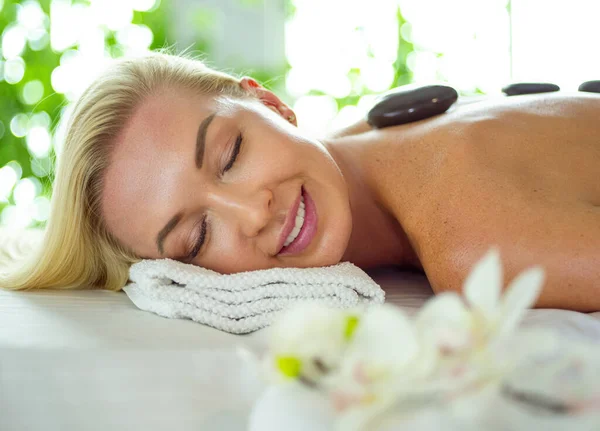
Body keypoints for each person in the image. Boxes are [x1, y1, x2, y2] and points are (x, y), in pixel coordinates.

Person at [1, 52, 599, 312]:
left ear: (271, 103)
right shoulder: (362, 134)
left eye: (231, 153)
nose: (252, 212)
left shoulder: (473, 247)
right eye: (197, 237)